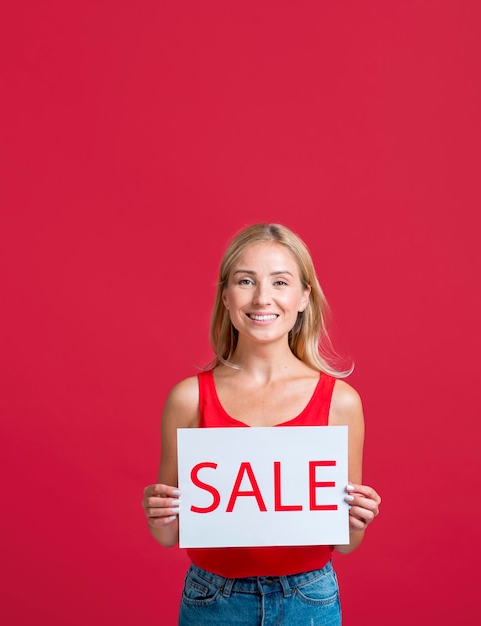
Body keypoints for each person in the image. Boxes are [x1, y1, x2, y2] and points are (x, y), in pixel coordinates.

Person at [142, 223, 381, 625]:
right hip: (213, 600)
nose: (262, 297)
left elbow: (344, 543)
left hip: (309, 599)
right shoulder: (188, 399)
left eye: (280, 282)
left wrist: (358, 518)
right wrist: (158, 510)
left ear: (304, 296)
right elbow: (169, 534)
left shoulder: (340, 402)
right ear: (226, 295)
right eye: (245, 280)